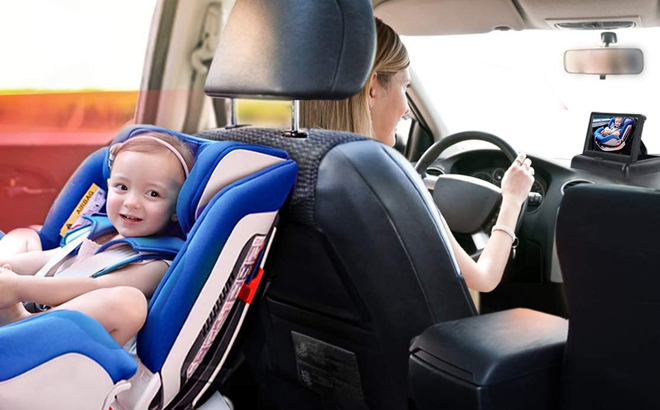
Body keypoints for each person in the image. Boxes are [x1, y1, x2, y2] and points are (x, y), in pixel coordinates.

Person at [301, 18, 534, 293]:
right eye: (405, 88)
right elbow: (484, 278)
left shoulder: (288, 167)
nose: (407, 109)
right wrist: (512, 200)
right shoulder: (392, 184)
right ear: (374, 88)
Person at [0, 132, 194, 346]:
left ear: (177, 208)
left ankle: (22, 323)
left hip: (65, 336)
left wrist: (18, 287)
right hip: (38, 300)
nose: (131, 202)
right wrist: (10, 271)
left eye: (153, 194)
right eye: (122, 187)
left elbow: (94, 287)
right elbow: (52, 259)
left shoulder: (158, 264)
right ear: (109, 186)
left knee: (129, 303)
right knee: (25, 237)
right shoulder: (102, 232)